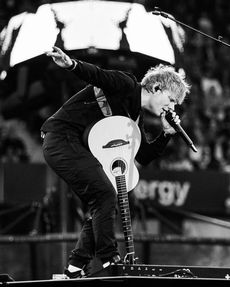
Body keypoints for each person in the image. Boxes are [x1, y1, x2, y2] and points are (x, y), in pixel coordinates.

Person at [41, 46, 190, 278]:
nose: (171, 107)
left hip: (78, 145)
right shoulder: (127, 85)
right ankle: (111, 260)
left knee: (105, 199)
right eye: (170, 100)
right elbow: (98, 74)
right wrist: (71, 64)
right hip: (61, 138)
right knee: (104, 194)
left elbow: (142, 156)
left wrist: (167, 134)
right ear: (156, 88)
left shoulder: (134, 118)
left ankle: (75, 266)